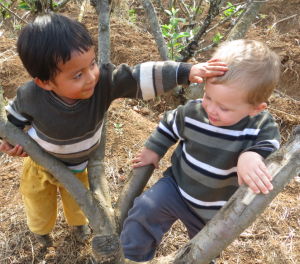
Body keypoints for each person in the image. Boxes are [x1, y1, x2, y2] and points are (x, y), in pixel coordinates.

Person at [0, 13, 227, 247]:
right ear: (45, 82)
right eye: (78, 75)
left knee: (80, 205)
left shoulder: (103, 83)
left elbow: (138, 77)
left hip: (79, 168)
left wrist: (183, 72)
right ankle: (41, 231)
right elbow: (14, 119)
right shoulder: (30, 95)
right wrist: (10, 141)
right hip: (40, 166)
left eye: (92, 64)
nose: (91, 78)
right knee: (38, 205)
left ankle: (79, 226)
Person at [120, 39, 281, 261]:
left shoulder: (259, 125)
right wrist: (154, 149)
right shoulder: (194, 112)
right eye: (208, 96)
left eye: (224, 108)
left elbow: (271, 143)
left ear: (255, 108)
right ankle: (130, 255)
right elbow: (170, 123)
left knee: (203, 250)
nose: (211, 109)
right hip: (176, 186)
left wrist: (251, 156)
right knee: (145, 211)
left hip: (214, 210)